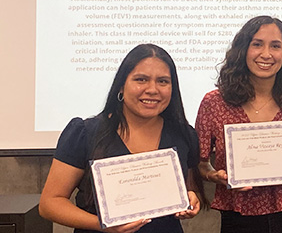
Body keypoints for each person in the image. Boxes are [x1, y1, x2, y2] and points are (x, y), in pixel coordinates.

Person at [39, 43, 206, 233]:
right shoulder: (85, 133)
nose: (152, 89)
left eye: (163, 81)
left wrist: (191, 198)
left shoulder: (184, 134)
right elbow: (49, 204)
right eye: (141, 79)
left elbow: (189, 188)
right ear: (121, 86)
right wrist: (102, 225)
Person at [195, 15, 282, 233]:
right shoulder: (214, 103)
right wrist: (215, 176)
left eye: (275, 46)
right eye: (257, 44)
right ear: (243, 51)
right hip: (240, 217)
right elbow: (200, 163)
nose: (266, 54)